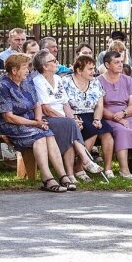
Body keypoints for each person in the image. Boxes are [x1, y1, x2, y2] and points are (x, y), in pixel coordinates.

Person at [0, 53, 69, 193]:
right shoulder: (2, 86)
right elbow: (9, 117)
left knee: (48, 134)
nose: (28, 71)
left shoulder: (26, 81)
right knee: (39, 136)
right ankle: (47, 178)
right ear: (14, 70)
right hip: (8, 124)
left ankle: (63, 176)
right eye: (25, 68)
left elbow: (37, 103)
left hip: (29, 120)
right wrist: (34, 123)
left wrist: (38, 120)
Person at [32, 49, 103, 189]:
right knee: (70, 125)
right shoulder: (38, 81)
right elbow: (46, 109)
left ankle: (70, 175)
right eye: (53, 60)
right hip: (48, 119)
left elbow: (65, 103)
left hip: (63, 119)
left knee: (71, 127)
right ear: (45, 66)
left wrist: (72, 118)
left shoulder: (58, 79)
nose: (56, 62)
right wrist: (69, 120)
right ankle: (86, 161)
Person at [63, 55, 115, 179]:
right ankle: (80, 167)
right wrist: (72, 118)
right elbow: (63, 103)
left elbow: (99, 105)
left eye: (94, 68)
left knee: (107, 134)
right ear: (79, 70)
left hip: (92, 113)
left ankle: (108, 168)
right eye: (90, 69)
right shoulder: (66, 81)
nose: (94, 72)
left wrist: (97, 119)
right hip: (74, 114)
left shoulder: (95, 82)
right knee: (92, 131)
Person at [99, 51, 132, 179]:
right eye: (116, 62)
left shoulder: (128, 80)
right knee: (122, 131)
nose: (120, 65)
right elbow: (99, 107)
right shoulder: (98, 81)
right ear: (107, 64)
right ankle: (124, 170)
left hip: (126, 114)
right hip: (109, 116)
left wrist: (124, 113)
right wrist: (115, 117)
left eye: (121, 62)